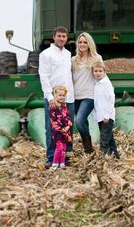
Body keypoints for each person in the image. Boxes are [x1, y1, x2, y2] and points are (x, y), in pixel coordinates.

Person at [39, 26, 74, 168]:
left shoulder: (68, 54)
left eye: (64, 36)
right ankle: (50, 158)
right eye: (59, 36)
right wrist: (50, 97)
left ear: (67, 38)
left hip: (68, 98)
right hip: (53, 98)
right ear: (54, 37)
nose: (61, 39)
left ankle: (66, 158)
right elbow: (44, 76)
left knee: (68, 127)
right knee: (52, 128)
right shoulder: (46, 54)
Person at [72, 32, 102, 154]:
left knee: (79, 121)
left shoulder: (97, 58)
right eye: (80, 42)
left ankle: (88, 147)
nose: (82, 44)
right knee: (83, 122)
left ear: (89, 44)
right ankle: (88, 150)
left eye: (85, 42)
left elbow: (102, 75)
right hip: (75, 96)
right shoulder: (73, 60)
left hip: (89, 95)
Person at [92, 61, 120, 159]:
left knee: (104, 139)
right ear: (92, 72)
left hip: (106, 116)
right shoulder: (96, 83)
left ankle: (103, 157)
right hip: (100, 116)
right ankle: (115, 157)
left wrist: (107, 115)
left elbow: (111, 100)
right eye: (95, 71)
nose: (98, 73)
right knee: (109, 137)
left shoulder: (106, 84)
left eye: (100, 71)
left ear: (104, 72)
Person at [49, 86, 73, 170]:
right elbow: (54, 121)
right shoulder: (53, 108)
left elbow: (67, 117)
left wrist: (68, 125)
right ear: (54, 96)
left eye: (63, 95)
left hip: (66, 131)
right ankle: (55, 163)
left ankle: (62, 163)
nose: (62, 97)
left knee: (64, 148)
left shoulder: (64, 106)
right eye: (60, 95)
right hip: (58, 132)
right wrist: (61, 129)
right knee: (59, 147)